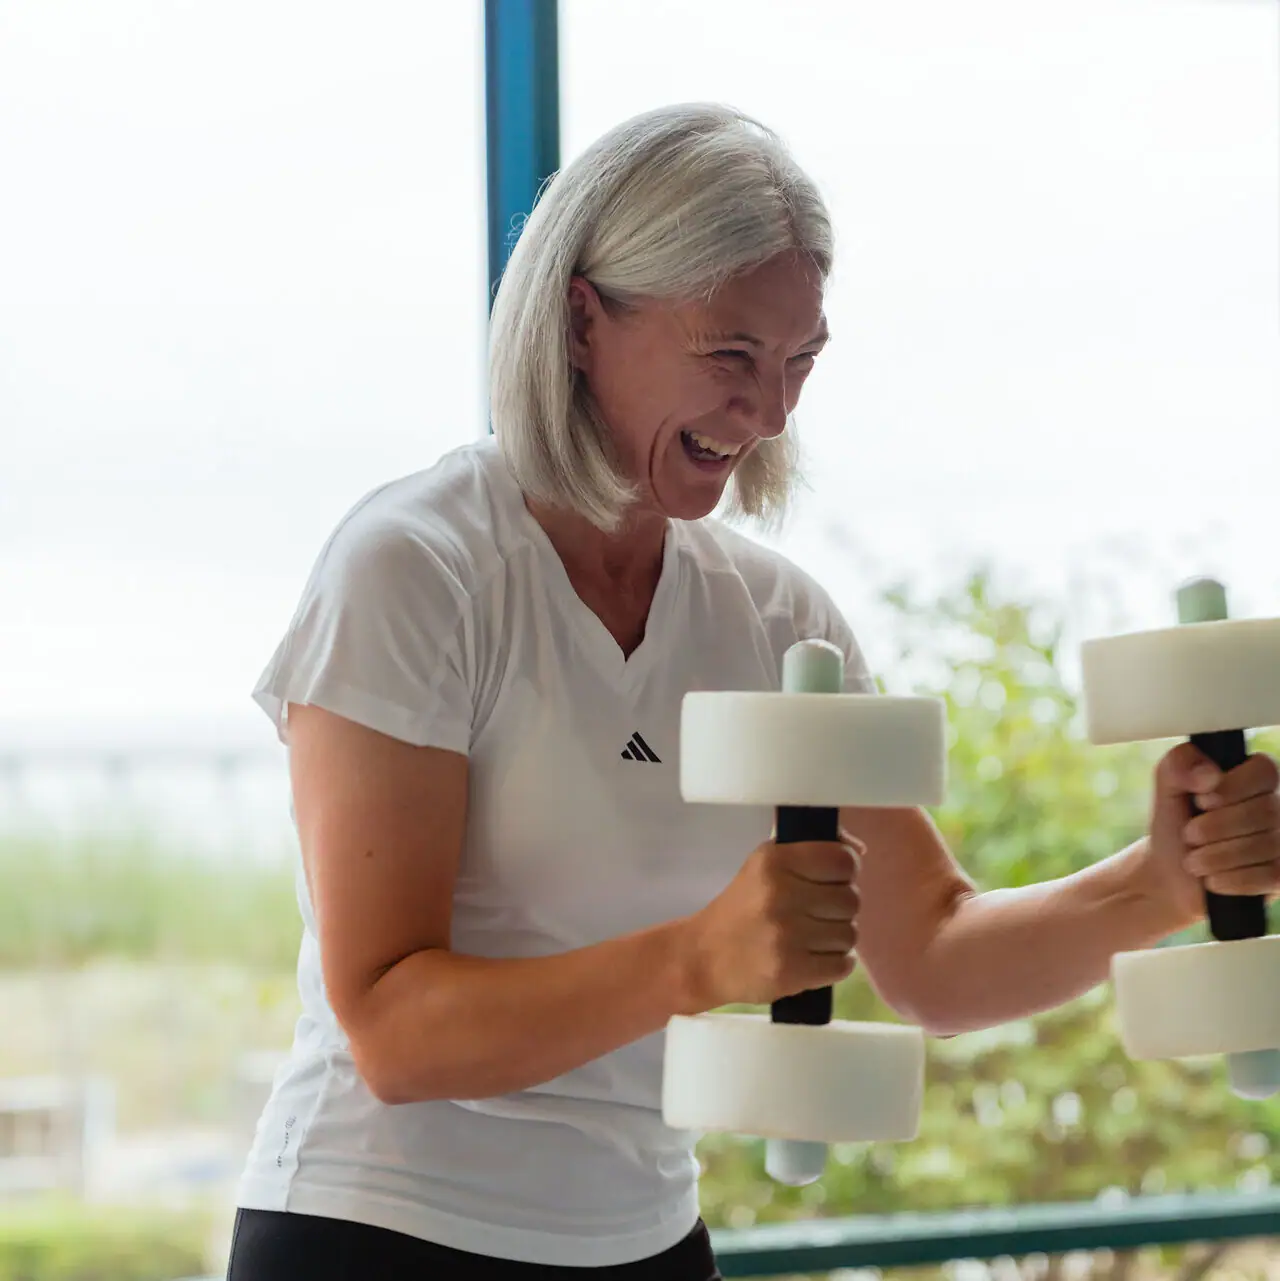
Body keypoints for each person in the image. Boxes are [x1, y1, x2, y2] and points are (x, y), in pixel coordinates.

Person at [224, 103, 1280, 1280]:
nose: (770, 411)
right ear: (581, 321)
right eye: (730, 356)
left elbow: (928, 958)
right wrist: (700, 959)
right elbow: (391, 1030)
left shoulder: (778, 623)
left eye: (798, 364)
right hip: (376, 1231)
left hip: (647, 1242)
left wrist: (1159, 883)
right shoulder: (417, 569)